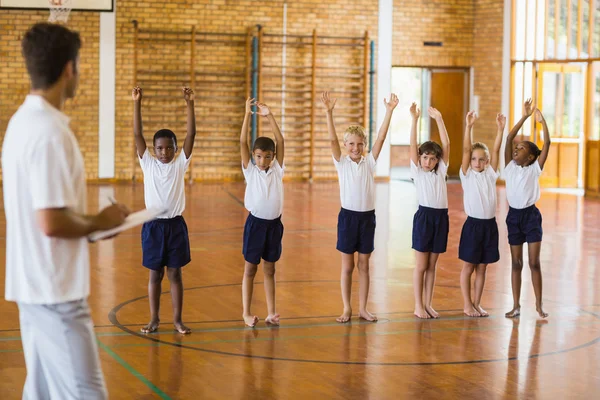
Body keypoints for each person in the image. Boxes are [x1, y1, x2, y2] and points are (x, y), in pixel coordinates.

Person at [2, 22, 129, 399]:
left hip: (33, 287)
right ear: (70, 68)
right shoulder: (50, 132)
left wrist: (94, 226)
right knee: (87, 393)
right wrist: (99, 221)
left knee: (40, 392)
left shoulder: (21, 123)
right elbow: (51, 221)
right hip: (56, 292)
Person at [321, 91, 399, 323]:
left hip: (367, 219)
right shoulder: (342, 163)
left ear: (364, 145)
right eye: (351, 144)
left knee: (364, 265)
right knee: (348, 266)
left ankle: (363, 308)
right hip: (348, 219)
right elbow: (333, 140)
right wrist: (329, 113)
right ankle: (347, 308)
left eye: (360, 144)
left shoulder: (370, 162)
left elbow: (382, 139)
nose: (356, 148)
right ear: (346, 146)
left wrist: (389, 111)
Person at [132, 85, 197, 334]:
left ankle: (178, 320)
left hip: (175, 226)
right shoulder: (148, 163)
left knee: (175, 275)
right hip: (153, 226)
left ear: (175, 148)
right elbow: (137, 133)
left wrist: (189, 103)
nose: (164, 152)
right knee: (154, 275)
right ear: (153, 149)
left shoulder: (180, 163)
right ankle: (154, 319)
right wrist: (137, 102)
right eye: (159, 148)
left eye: (169, 147)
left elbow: (191, 134)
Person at [503, 99, 551, 319]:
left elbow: (547, 144)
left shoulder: (534, 169)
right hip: (513, 217)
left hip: (531, 217)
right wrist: (524, 117)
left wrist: (542, 123)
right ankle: (516, 305)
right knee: (516, 263)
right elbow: (509, 138)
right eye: (516, 148)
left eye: (521, 149)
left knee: (533, 262)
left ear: (531, 157)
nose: (516, 149)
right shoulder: (510, 167)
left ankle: (539, 305)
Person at [239, 98, 285, 327]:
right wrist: (248, 114)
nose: (263, 160)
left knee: (270, 269)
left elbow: (280, 140)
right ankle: (246, 313)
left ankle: (271, 312)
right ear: (254, 156)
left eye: (267, 156)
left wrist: (269, 115)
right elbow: (242, 141)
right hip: (255, 225)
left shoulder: (277, 170)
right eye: (259, 156)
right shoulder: (250, 171)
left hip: (274, 226)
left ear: (274, 157)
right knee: (250, 268)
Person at [458, 111, 505, 317]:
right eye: (474, 159)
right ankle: (467, 304)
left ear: (486, 162)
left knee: (483, 268)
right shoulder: (466, 175)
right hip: (473, 226)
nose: (477, 162)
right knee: (469, 265)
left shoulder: (491, 174)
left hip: (489, 226)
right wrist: (469, 127)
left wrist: (500, 130)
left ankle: (477, 303)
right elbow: (467, 149)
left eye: (481, 159)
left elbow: (496, 150)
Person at [409, 103, 450, 319]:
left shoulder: (440, 171)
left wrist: (439, 119)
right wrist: (415, 119)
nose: (428, 161)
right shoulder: (418, 172)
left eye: (433, 158)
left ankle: (428, 303)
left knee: (433, 265)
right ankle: (417, 304)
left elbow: (447, 144)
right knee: (421, 264)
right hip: (425, 218)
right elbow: (412, 145)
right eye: (425, 157)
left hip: (441, 218)